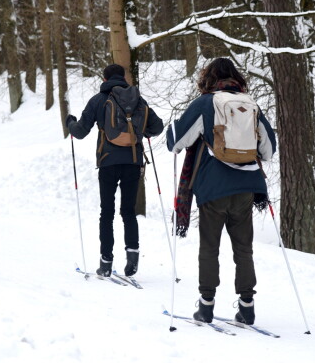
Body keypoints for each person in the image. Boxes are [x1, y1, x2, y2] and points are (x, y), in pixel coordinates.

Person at [166, 58, 276, 325]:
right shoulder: (250, 104)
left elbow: (176, 143)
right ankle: (247, 307)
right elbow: (269, 150)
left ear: (209, 78)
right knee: (244, 249)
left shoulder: (205, 103)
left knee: (209, 247)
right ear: (235, 77)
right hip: (246, 186)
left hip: (213, 186)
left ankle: (206, 306)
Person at [66, 64, 164, 277]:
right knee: (128, 211)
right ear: (124, 76)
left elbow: (81, 131)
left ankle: (106, 261)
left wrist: (70, 123)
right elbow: (157, 128)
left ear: (105, 77)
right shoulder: (138, 100)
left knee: (107, 212)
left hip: (108, 162)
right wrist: (139, 129)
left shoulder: (98, 100)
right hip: (133, 161)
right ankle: (132, 256)